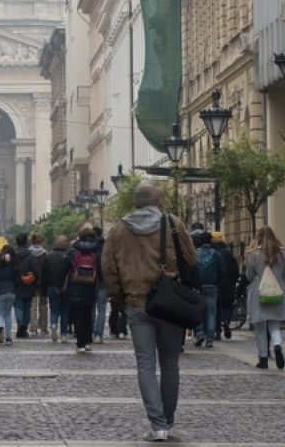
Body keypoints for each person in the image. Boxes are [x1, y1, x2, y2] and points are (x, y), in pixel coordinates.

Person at [102, 183, 196, 442]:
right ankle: (168, 420)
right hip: (169, 303)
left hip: (137, 303)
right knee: (169, 363)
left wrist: (119, 298)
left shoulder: (119, 230)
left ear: (135, 203)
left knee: (145, 364)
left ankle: (157, 426)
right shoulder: (174, 223)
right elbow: (192, 258)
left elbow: (108, 268)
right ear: (159, 201)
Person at [243, 226, 285, 369]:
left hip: (260, 293)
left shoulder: (254, 254)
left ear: (258, 237)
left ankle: (263, 358)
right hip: (277, 292)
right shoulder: (281, 253)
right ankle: (277, 345)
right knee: (274, 324)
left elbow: (249, 276)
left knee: (259, 327)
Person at [66, 224, 101, 353]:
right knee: (88, 313)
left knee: (78, 315)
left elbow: (64, 268)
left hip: (76, 285)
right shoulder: (97, 250)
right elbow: (101, 269)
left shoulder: (73, 250)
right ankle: (87, 341)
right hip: (91, 286)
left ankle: (80, 343)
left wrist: (61, 284)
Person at [193, 230, 220, 348]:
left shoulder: (195, 253)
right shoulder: (216, 253)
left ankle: (199, 334)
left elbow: (192, 269)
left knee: (198, 311)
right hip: (212, 285)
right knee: (211, 312)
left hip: (198, 286)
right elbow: (222, 270)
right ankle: (209, 338)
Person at [43, 235, 71, 343]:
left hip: (52, 286)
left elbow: (44, 274)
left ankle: (53, 325)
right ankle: (64, 334)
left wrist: (43, 289)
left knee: (54, 309)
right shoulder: (69, 255)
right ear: (66, 244)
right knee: (65, 311)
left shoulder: (49, 256)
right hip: (66, 287)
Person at [211, 232, 239, 340]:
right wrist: (234, 281)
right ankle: (226, 321)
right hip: (228, 284)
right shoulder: (229, 253)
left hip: (216, 283)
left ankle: (217, 332)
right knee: (228, 305)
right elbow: (235, 270)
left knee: (217, 308)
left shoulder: (212, 252)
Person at [12, 233, 38, 339]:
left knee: (18, 306)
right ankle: (24, 329)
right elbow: (37, 271)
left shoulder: (13, 257)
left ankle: (20, 326)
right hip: (29, 285)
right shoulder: (31, 256)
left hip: (16, 285)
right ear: (26, 242)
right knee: (27, 307)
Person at [0, 244, 19, 344]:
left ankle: (0, 326)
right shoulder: (14, 264)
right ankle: (8, 338)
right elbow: (17, 279)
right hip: (11, 292)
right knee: (8, 315)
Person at [29, 232, 49, 336]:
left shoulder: (29, 253)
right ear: (41, 241)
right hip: (43, 282)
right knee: (44, 306)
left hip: (31, 282)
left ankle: (33, 328)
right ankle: (44, 328)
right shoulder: (45, 253)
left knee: (33, 306)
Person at [92, 226, 109, 343]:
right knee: (102, 309)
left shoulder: (88, 248)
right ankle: (99, 335)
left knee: (91, 308)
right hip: (103, 281)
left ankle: (91, 332)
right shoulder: (106, 248)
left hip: (89, 281)